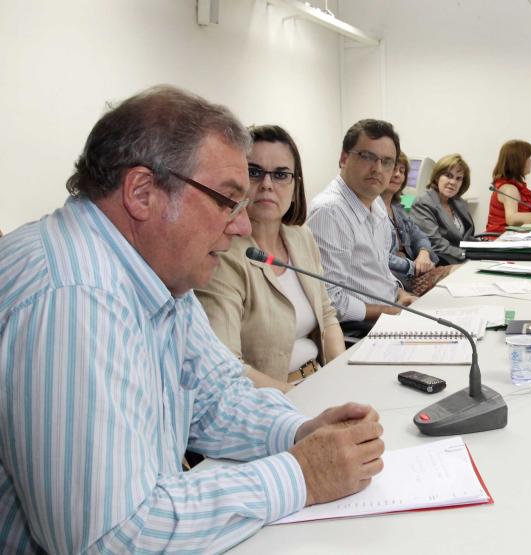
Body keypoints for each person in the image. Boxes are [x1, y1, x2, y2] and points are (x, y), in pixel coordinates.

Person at [0, 86, 384, 553]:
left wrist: (300, 431)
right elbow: (110, 536)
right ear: (142, 193)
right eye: (227, 200)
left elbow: (216, 397)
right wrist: (302, 473)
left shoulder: (157, 270)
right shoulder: (74, 298)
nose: (242, 225)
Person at [197, 124, 345, 393]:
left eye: (280, 175)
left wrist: (339, 377)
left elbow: (327, 314)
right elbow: (227, 364)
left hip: (320, 381)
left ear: (295, 183)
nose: (266, 185)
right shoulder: (222, 254)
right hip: (274, 402)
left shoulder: (301, 237)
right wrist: (303, 399)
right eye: (254, 173)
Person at [307, 119, 416, 338]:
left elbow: (378, 272)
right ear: (344, 158)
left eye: (387, 162)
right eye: (367, 157)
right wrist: (391, 310)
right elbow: (330, 301)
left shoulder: (376, 204)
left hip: (389, 312)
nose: (377, 169)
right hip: (359, 329)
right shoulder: (330, 212)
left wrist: (401, 294)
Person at [381, 152, 452, 295]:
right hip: (397, 280)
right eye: (393, 169)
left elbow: (419, 237)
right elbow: (379, 256)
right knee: (457, 275)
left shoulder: (398, 207)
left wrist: (424, 254)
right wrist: (414, 266)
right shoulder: (371, 208)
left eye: (402, 171)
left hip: (416, 273)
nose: (397, 175)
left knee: (461, 273)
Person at [410, 153, 476, 264]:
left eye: (458, 178)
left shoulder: (459, 203)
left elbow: (467, 237)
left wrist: (487, 248)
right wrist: (468, 255)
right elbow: (436, 244)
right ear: (437, 177)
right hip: (442, 261)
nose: (453, 182)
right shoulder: (423, 203)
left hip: (462, 259)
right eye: (448, 176)